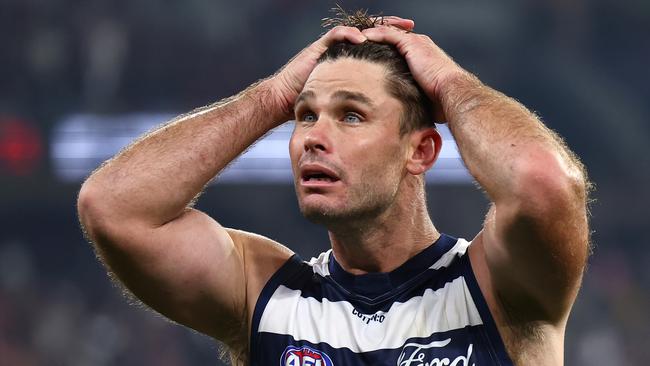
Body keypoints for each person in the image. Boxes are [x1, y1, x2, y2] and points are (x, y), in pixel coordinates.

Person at [77, 10, 591, 366]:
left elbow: (541, 181)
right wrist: (271, 96)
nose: (312, 138)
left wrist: (452, 86)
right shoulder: (264, 294)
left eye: (350, 115)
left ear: (420, 151)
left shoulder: (498, 287)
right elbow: (113, 206)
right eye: (304, 117)